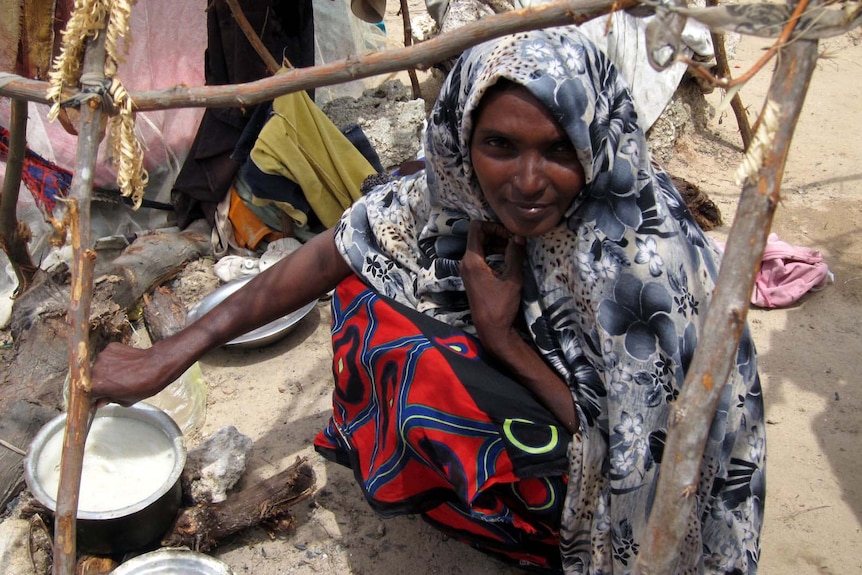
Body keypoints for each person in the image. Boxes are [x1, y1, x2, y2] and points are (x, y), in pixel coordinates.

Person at [91, 27, 765, 574]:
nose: (528, 181)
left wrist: (501, 340)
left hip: (628, 454)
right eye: (500, 145)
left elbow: (648, 452)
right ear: (467, 137)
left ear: (593, 139)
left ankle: (524, 532)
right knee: (367, 286)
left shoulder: (639, 263)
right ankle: (444, 483)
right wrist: (174, 351)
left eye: (558, 149)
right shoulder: (458, 181)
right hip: (555, 376)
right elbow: (340, 246)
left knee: (430, 383)